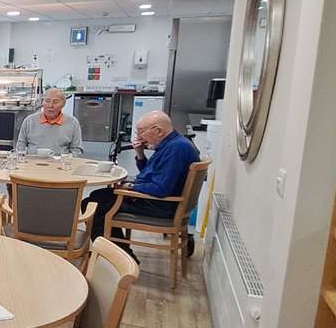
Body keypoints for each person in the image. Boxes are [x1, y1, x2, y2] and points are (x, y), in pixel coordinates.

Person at [83, 109, 201, 246]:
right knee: (97, 197)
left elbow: (160, 188)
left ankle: (118, 255)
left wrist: (131, 187)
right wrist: (140, 154)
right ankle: (117, 249)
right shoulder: (173, 143)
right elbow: (149, 174)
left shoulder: (176, 149)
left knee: (94, 204)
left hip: (160, 205)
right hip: (161, 201)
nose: (138, 137)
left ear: (158, 131)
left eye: (141, 131)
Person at [15, 88, 83, 155]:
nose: (50, 105)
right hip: (32, 163)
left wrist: (65, 161)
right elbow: (20, 146)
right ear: (42, 102)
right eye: (47, 101)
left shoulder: (72, 123)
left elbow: (76, 150)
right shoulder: (29, 121)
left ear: (63, 104)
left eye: (55, 102)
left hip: (60, 164)